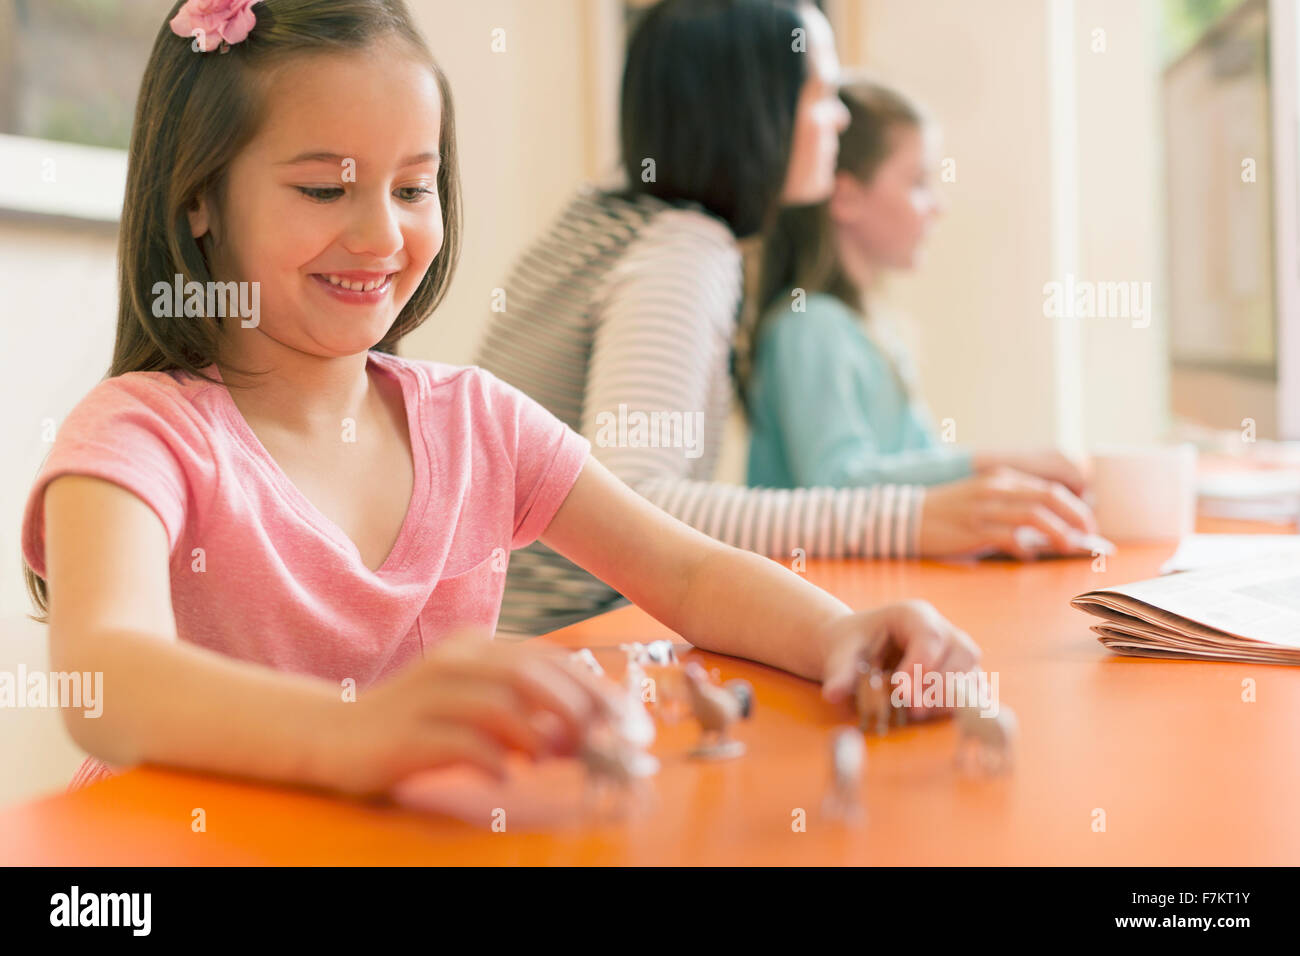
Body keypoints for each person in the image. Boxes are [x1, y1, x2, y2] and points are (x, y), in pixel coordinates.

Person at [21, 0, 975, 798]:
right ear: (199, 200)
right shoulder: (137, 434)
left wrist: (839, 631)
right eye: (324, 189)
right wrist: (359, 736)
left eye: (413, 188)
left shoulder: (476, 420)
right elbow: (105, 679)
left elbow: (687, 577)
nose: (380, 234)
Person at [477, 0, 1096, 635]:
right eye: (823, 93)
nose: (841, 116)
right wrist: (913, 520)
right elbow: (639, 500)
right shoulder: (680, 251)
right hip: (563, 642)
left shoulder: (603, 226)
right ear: (756, 110)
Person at [745, 78, 1096, 561]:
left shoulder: (872, 327)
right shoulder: (809, 327)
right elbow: (834, 483)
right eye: (918, 182)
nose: (938, 205)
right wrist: (991, 464)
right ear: (846, 198)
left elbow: (921, 460)